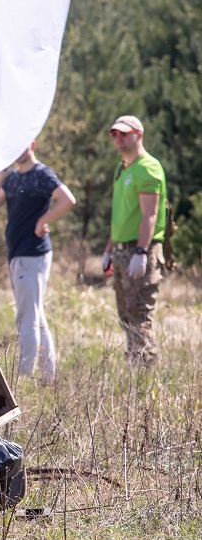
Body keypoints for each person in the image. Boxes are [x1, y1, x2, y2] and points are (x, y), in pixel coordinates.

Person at [0, 141, 75, 382]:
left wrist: (44, 220)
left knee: (26, 317)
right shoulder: (12, 178)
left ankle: (24, 377)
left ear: (32, 144)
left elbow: (67, 199)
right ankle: (48, 376)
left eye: (23, 143)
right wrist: (1, 173)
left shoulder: (41, 174)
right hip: (17, 254)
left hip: (32, 254)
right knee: (35, 315)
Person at [101, 115, 167, 366]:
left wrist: (141, 251)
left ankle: (144, 374)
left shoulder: (148, 167)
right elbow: (121, 216)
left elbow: (149, 214)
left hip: (140, 252)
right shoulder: (123, 168)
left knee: (140, 316)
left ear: (138, 135)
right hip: (121, 251)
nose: (118, 139)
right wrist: (109, 249)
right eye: (114, 134)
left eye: (123, 134)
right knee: (126, 316)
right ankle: (134, 367)